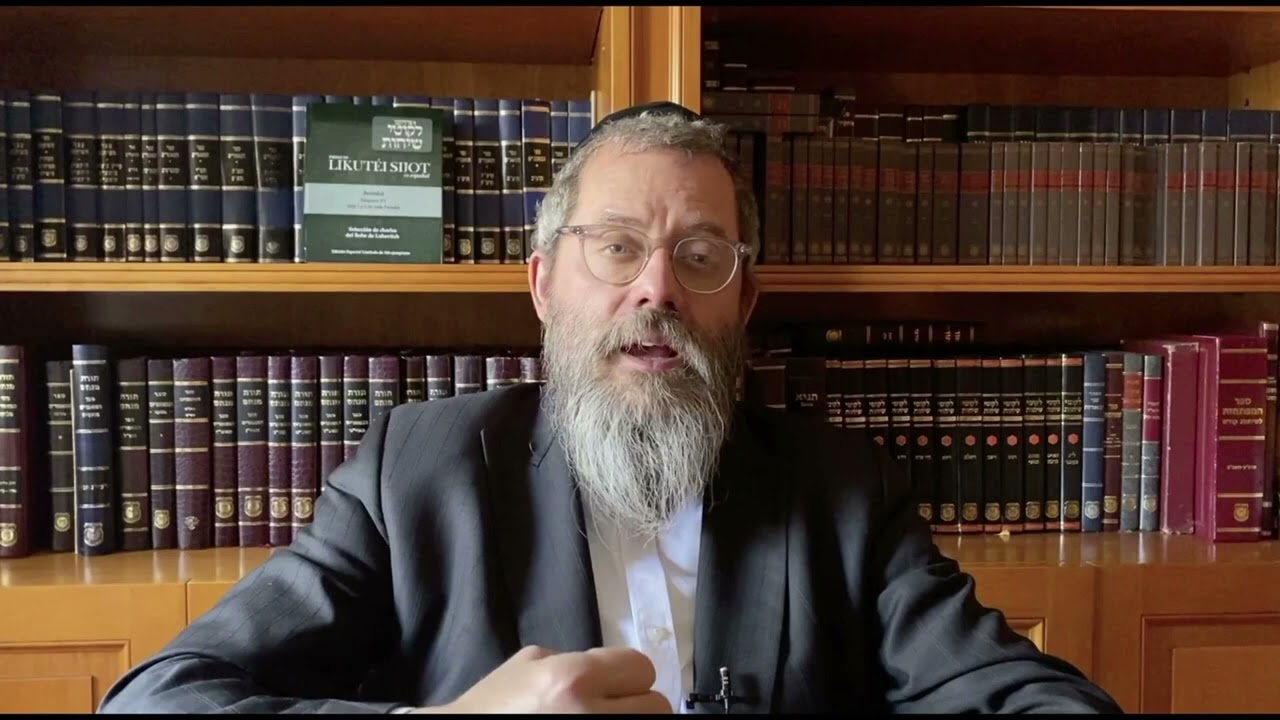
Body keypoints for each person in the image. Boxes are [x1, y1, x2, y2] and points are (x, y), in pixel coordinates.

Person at [98, 101, 1123, 714]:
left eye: (700, 256)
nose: (657, 290)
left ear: (742, 305)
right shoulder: (411, 476)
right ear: (545, 285)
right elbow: (157, 699)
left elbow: (1039, 700)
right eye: (618, 247)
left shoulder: (840, 491)